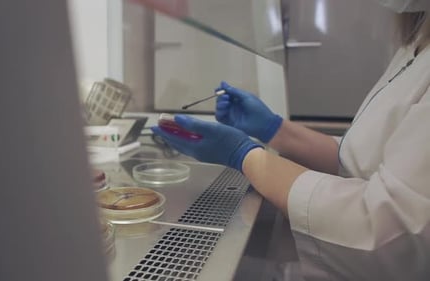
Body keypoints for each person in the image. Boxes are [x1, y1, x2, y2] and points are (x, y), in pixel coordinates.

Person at [152, 0, 430, 280]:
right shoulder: (418, 40)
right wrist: (274, 128)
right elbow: (356, 160)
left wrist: (243, 154)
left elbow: (389, 228)